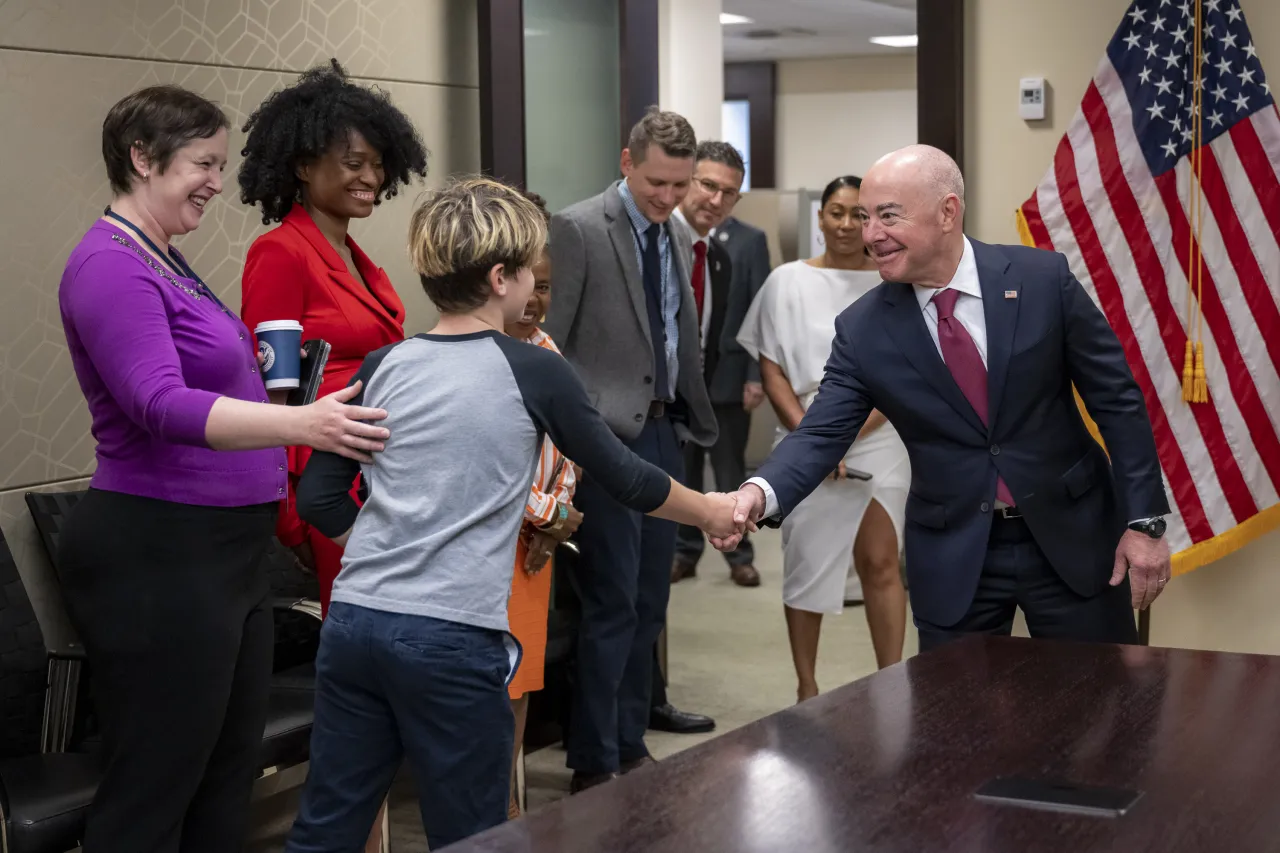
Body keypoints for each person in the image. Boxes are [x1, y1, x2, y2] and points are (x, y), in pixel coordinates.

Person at [283, 177, 741, 851]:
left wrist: (389, 551)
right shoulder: (534, 369)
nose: (535, 286)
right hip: (449, 636)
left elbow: (319, 496)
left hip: (356, 624)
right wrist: (711, 509)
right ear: (502, 277)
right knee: (473, 832)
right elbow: (625, 476)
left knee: (327, 827)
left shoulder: (385, 364)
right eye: (530, 270)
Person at [55, 85, 389, 853]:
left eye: (220, 162)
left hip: (227, 555)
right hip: (160, 549)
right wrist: (303, 423)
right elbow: (159, 403)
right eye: (203, 163)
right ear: (143, 158)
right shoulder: (109, 263)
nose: (216, 180)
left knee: (225, 775)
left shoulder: (165, 257)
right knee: (156, 782)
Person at [718, 145, 1172, 650]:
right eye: (867, 217)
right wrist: (756, 493)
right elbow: (821, 433)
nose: (870, 235)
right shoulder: (863, 330)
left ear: (948, 211)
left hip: (1075, 538)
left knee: (1098, 708)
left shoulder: (1042, 280)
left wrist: (1144, 522)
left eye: (888, 216)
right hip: (955, 552)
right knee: (956, 720)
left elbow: (1117, 401)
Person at [542, 107, 718, 792]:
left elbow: (673, 330)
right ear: (626, 162)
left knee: (650, 598)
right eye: (656, 184)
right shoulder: (581, 227)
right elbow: (553, 343)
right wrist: (572, 439)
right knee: (612, 598)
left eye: (679, 185)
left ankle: (628, 734)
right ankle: (594, 754)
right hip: (605, 438)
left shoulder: (674, 233)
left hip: (664, 431)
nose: (668, 198)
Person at [239, 58, 429, 615]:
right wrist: (293, 520)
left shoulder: (358, 259)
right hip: (325, 485)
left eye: (377, 165)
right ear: (302, 166)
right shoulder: (280, 254)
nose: (370, 178)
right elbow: (269, 398)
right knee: (361, 631)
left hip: (377, 473)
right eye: (352, 163)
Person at [737, 175, 910, 696]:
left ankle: (891, 684)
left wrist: (846, 435)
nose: (846, 224)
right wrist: (814, 437)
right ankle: (806, 687)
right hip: (803, 432)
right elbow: (771, 370)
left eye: (860, 214)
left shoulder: (892, 285)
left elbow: (900, 373)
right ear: (819, 217)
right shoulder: (785, 281)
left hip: (880, 435)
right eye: (836, 212)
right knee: (808, 563)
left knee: (882, 562)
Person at [503, 190, 582, 819]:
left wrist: (557, 517)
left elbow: (569, 449)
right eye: (525, 284)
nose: (536, 301)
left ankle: (513, 809)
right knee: (491, 690)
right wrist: (547, 515)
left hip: (538, 546)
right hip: (496, 546)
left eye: (546, 287)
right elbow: (491, 466)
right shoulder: (483, 357)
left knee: (523, 683)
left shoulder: (549, 353)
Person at [670, 141, 764, 589]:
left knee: (731, 472)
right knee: (683, 472)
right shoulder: (660, 240)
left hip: (726, 378)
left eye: (729, 192)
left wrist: (754, 376)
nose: (717, 199)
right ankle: (684, 551)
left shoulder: (748, 242)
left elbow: (756, 314)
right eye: (708, 185)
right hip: (674, 390)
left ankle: (740, 554)